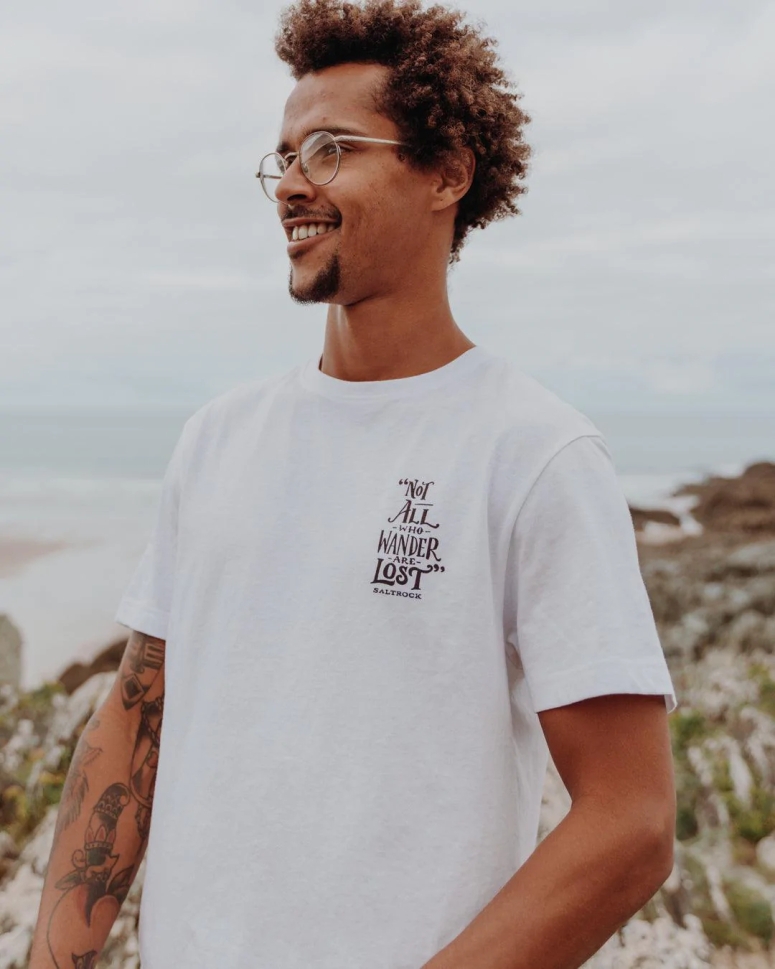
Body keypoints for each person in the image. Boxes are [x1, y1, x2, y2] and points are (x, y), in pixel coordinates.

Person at [30, 1, 678, 967]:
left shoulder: (533, 453)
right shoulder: (218, 439)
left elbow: (631, 822)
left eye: (330, 150)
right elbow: (133, 728)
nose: (292, 183)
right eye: (285, 156)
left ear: (445, 172)